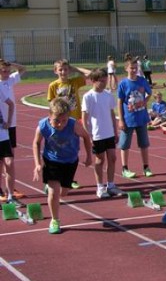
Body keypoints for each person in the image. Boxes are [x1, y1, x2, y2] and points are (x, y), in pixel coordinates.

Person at [32, 98, 92, 234]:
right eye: (57, 121)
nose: (60, 124)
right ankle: (55, 220)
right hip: (51, 160)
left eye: (64, 120)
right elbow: (36, 143)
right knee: (54, 193)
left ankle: (51, 188)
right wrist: (37, 164)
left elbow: (86, 137)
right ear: (49, 116)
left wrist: (89, 156)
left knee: (63, 193)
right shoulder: (42, 126)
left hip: (70, 161)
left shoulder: (73, 125)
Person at [81, 68, 125, 199]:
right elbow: (84, 116)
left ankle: (111, 185)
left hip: (109, 133)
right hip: (97, 133)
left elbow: (111, 113)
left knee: (112, 158)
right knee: (100, 160)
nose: (104, 83)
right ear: (93, 81)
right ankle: (100, 187)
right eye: (101, 81)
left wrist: (115, 130)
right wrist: (88, 134)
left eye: (105, 80)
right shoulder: (88, 96)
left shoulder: (108, 95)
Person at [47, 59, 91, 189]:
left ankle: (70, 178)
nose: (63, 72)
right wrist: (53, 121)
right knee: (60, 149)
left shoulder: (74, 82)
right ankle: (55, 177)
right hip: (60, 122)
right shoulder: (53, 85)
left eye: (65, 69)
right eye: (60, 69)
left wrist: (75, 69)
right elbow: (51, 105)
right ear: (55, 71)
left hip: (74, 121)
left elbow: (89, 74)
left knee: (73, 150)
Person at [117, 57, 154, 178]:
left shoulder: (142, 81)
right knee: (125, 144)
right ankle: (125, 168)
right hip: (128, 119)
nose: (133, 70)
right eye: (131, 68)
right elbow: (119, 102)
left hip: (141, 117)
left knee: (144, 144)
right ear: (126, 69)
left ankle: (146, 167)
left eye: (135, 68)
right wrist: (121, 120)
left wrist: (145, 101)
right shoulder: (123, 84)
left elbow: (150, 93)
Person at [0, 59, 26, 200]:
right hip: (2, 125)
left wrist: (11, 63)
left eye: (7, 70)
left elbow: (23, 69)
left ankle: (10, 188)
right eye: (3, 70)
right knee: (2, 160)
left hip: (11, 125)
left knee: (10, 159)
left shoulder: (10, 80)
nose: (6, 72)